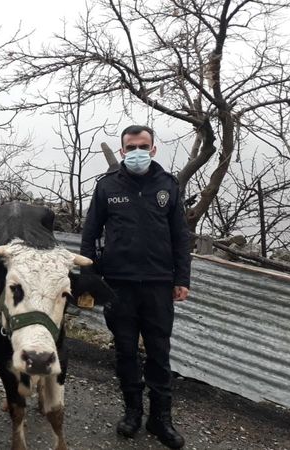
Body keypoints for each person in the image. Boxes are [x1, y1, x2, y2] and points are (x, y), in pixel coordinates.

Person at [81, 125, 191, 449]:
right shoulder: (106, 187)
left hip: (158, 284)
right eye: (132, 147)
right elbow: (89, 235)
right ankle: (132, 412)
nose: (138, 151)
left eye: (144, 145)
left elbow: (180, 237)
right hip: (119, 284)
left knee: (159, 353)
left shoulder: (168, 185)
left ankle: (161, 419)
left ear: (154, 149)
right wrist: (88, 276)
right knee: (125, 350)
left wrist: (182, 279)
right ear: (123, 149)